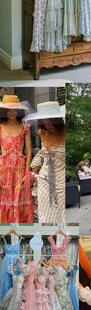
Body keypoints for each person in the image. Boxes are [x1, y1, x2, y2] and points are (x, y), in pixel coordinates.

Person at [24, 101, 65, 225]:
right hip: (45, 179)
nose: (49, 126)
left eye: (51, 122)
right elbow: (42, 151)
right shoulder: (42, 132)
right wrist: (35, 164)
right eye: (45, 123)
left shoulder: (66, 132)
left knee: (62, 215)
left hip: (61, 178)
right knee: (46, 215)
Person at [0, 95, 33, 223]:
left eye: (14, 110)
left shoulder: (24, 127)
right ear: (4, 111)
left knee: (20, 201)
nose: (12, 112)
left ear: (18, 111)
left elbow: (29, 151)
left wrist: (27, 172)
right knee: (4, 200)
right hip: (3, 170)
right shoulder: (0, 126)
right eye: (9, 109)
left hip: (20, 169)